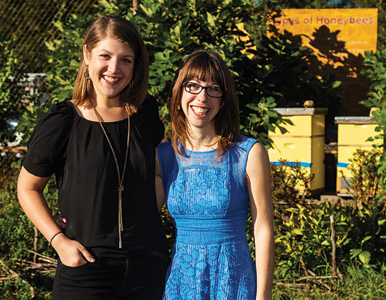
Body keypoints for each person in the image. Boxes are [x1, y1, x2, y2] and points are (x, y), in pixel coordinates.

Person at [17, 15, 168, 300]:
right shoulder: (63, 121)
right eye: (105, 56)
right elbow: (27, 187)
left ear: (136, 65)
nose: (114, 68)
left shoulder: (145, 115)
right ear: (87, 54)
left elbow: (156, 174)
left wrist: (142, 219)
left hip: (147, 269)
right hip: (85, 271)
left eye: (126, 59)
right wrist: (59, 240)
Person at [156, 49, 274, 300]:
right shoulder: (163, 156)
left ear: (223, 99)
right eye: (193, 86)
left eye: (213, 89)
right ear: (179, 94)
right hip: (181, 282)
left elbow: (262, 228)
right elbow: (137, 217)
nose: (202, 97)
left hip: (233, 280)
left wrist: (263, 296)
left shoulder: (249, 153)